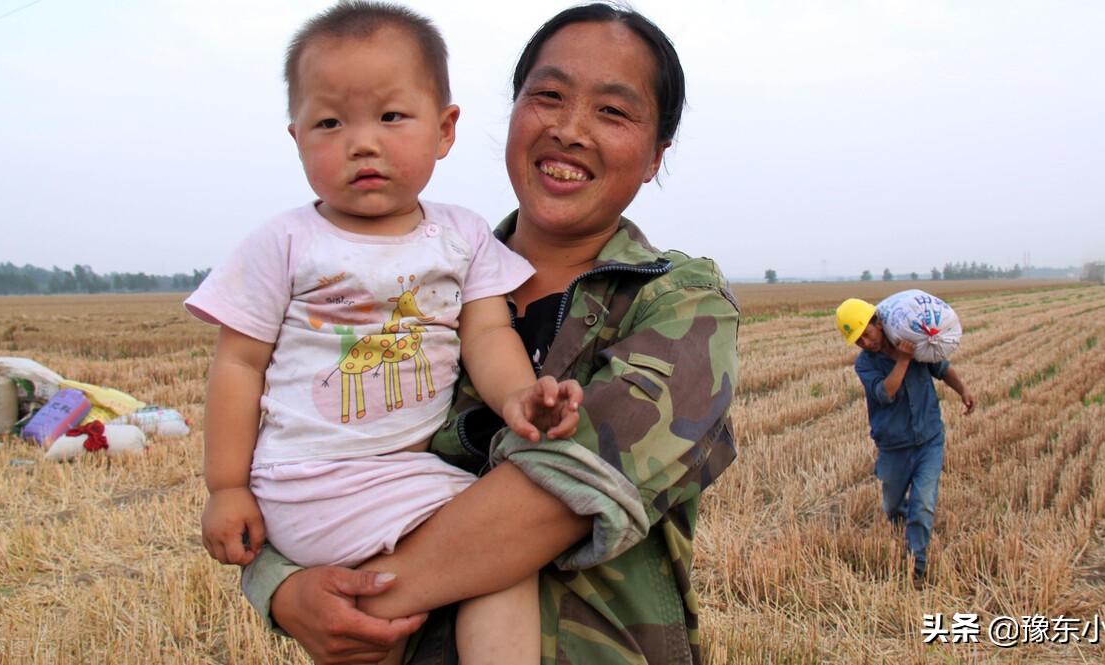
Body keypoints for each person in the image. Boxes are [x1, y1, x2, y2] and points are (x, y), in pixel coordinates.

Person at [239, 4, 741, 664]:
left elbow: (559, 491)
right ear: (512, 113)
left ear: (655, 156)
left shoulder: (679, 302)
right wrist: (279, 585)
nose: (569, 129)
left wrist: (341, 600)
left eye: (612, 113)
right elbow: (302, 446)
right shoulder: (413, 284)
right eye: (548, 97)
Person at [185, 4, 583, 664]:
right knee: (500, 550)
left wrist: (517, 395)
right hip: (309, 480)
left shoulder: (461, 235)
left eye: (391, 117)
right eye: (330, 122)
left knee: (377, 632)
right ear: (296, 137)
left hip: (400, 473)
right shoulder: (284, 243)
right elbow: (237, 366)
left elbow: (487, 331)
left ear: (445, 128)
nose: (361, 142)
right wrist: (225, 487)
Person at [835, 298, 975, 585]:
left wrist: (963, 390)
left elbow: (942, 368)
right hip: (893, 446)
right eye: (857, 340)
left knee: (923, 503)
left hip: (928, 439)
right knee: (892, 506)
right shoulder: (866, 365)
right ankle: (904, 522)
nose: (864, 342)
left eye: (866, 333)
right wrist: (902, 361)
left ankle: (917, 567)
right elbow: (886, 393)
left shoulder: (913, 342)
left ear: (878, 322)